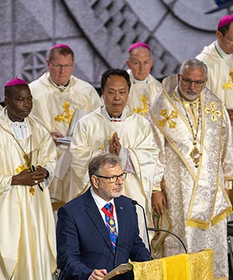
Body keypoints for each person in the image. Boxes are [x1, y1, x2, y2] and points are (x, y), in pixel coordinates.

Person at [149, 58, 233, 280]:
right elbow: (154, 152)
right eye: (188, 80)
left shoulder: (214, 103)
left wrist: (227, 179)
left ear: (205, 81)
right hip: (176, 192)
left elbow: (226, 143)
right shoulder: (161, 108)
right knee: (181, 243)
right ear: (179, 78)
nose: (193, 86)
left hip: (211, 191)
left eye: (198, 82)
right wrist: (155, 188)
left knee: (209, 246)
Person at [56, 153, 151, 280]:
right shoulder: (71, 212)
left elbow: (134, 244)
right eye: (112, 177)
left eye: (121, 176)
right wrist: (88, 274)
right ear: (95, 180)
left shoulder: (128, 206)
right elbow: (66, 258)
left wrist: (151, 267)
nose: (120, 182)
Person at [69, 69, 159, 246]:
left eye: (122, 92)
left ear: (128, 92)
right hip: (98, 199)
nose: (117, 98)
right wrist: (105, 153)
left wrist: (123, 154)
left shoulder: (141, 124)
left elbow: (151, 158)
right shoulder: (86, 124)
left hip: (131, 193)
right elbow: (77, 159)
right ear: (102, 93)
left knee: (133, 248)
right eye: (111, 92)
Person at [0, 78, 57, 280]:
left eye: (30, 99)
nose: (27, 105)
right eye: (21, 99)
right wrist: (13, 179)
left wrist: (45, 172)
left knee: (31, 260)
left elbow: (52, 158)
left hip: (35, 211)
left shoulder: (38, 129)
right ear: (7, 100)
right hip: (7, 210)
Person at [29, 44, 102, 204]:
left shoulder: (86, 91)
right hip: (47, 160)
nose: (63, 71)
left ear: (73, 64)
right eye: (58, 66)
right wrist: (46, 136)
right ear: (48, 64)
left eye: (67, 66)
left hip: (79, 163)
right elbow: (23, 127)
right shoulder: (33, 92)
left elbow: (100, 125)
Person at [196, 15, 233, 209]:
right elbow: (194, 101)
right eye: (232, 40)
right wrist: (221, 113)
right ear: (219, 35)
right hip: (217, 135)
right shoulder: (203, 63)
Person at [126, 42, 161, 117]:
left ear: (151, 63)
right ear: (128, 64)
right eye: (136, 63)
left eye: (146, 63)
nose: (142, 68)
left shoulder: (159, 89)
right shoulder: (117, 86)